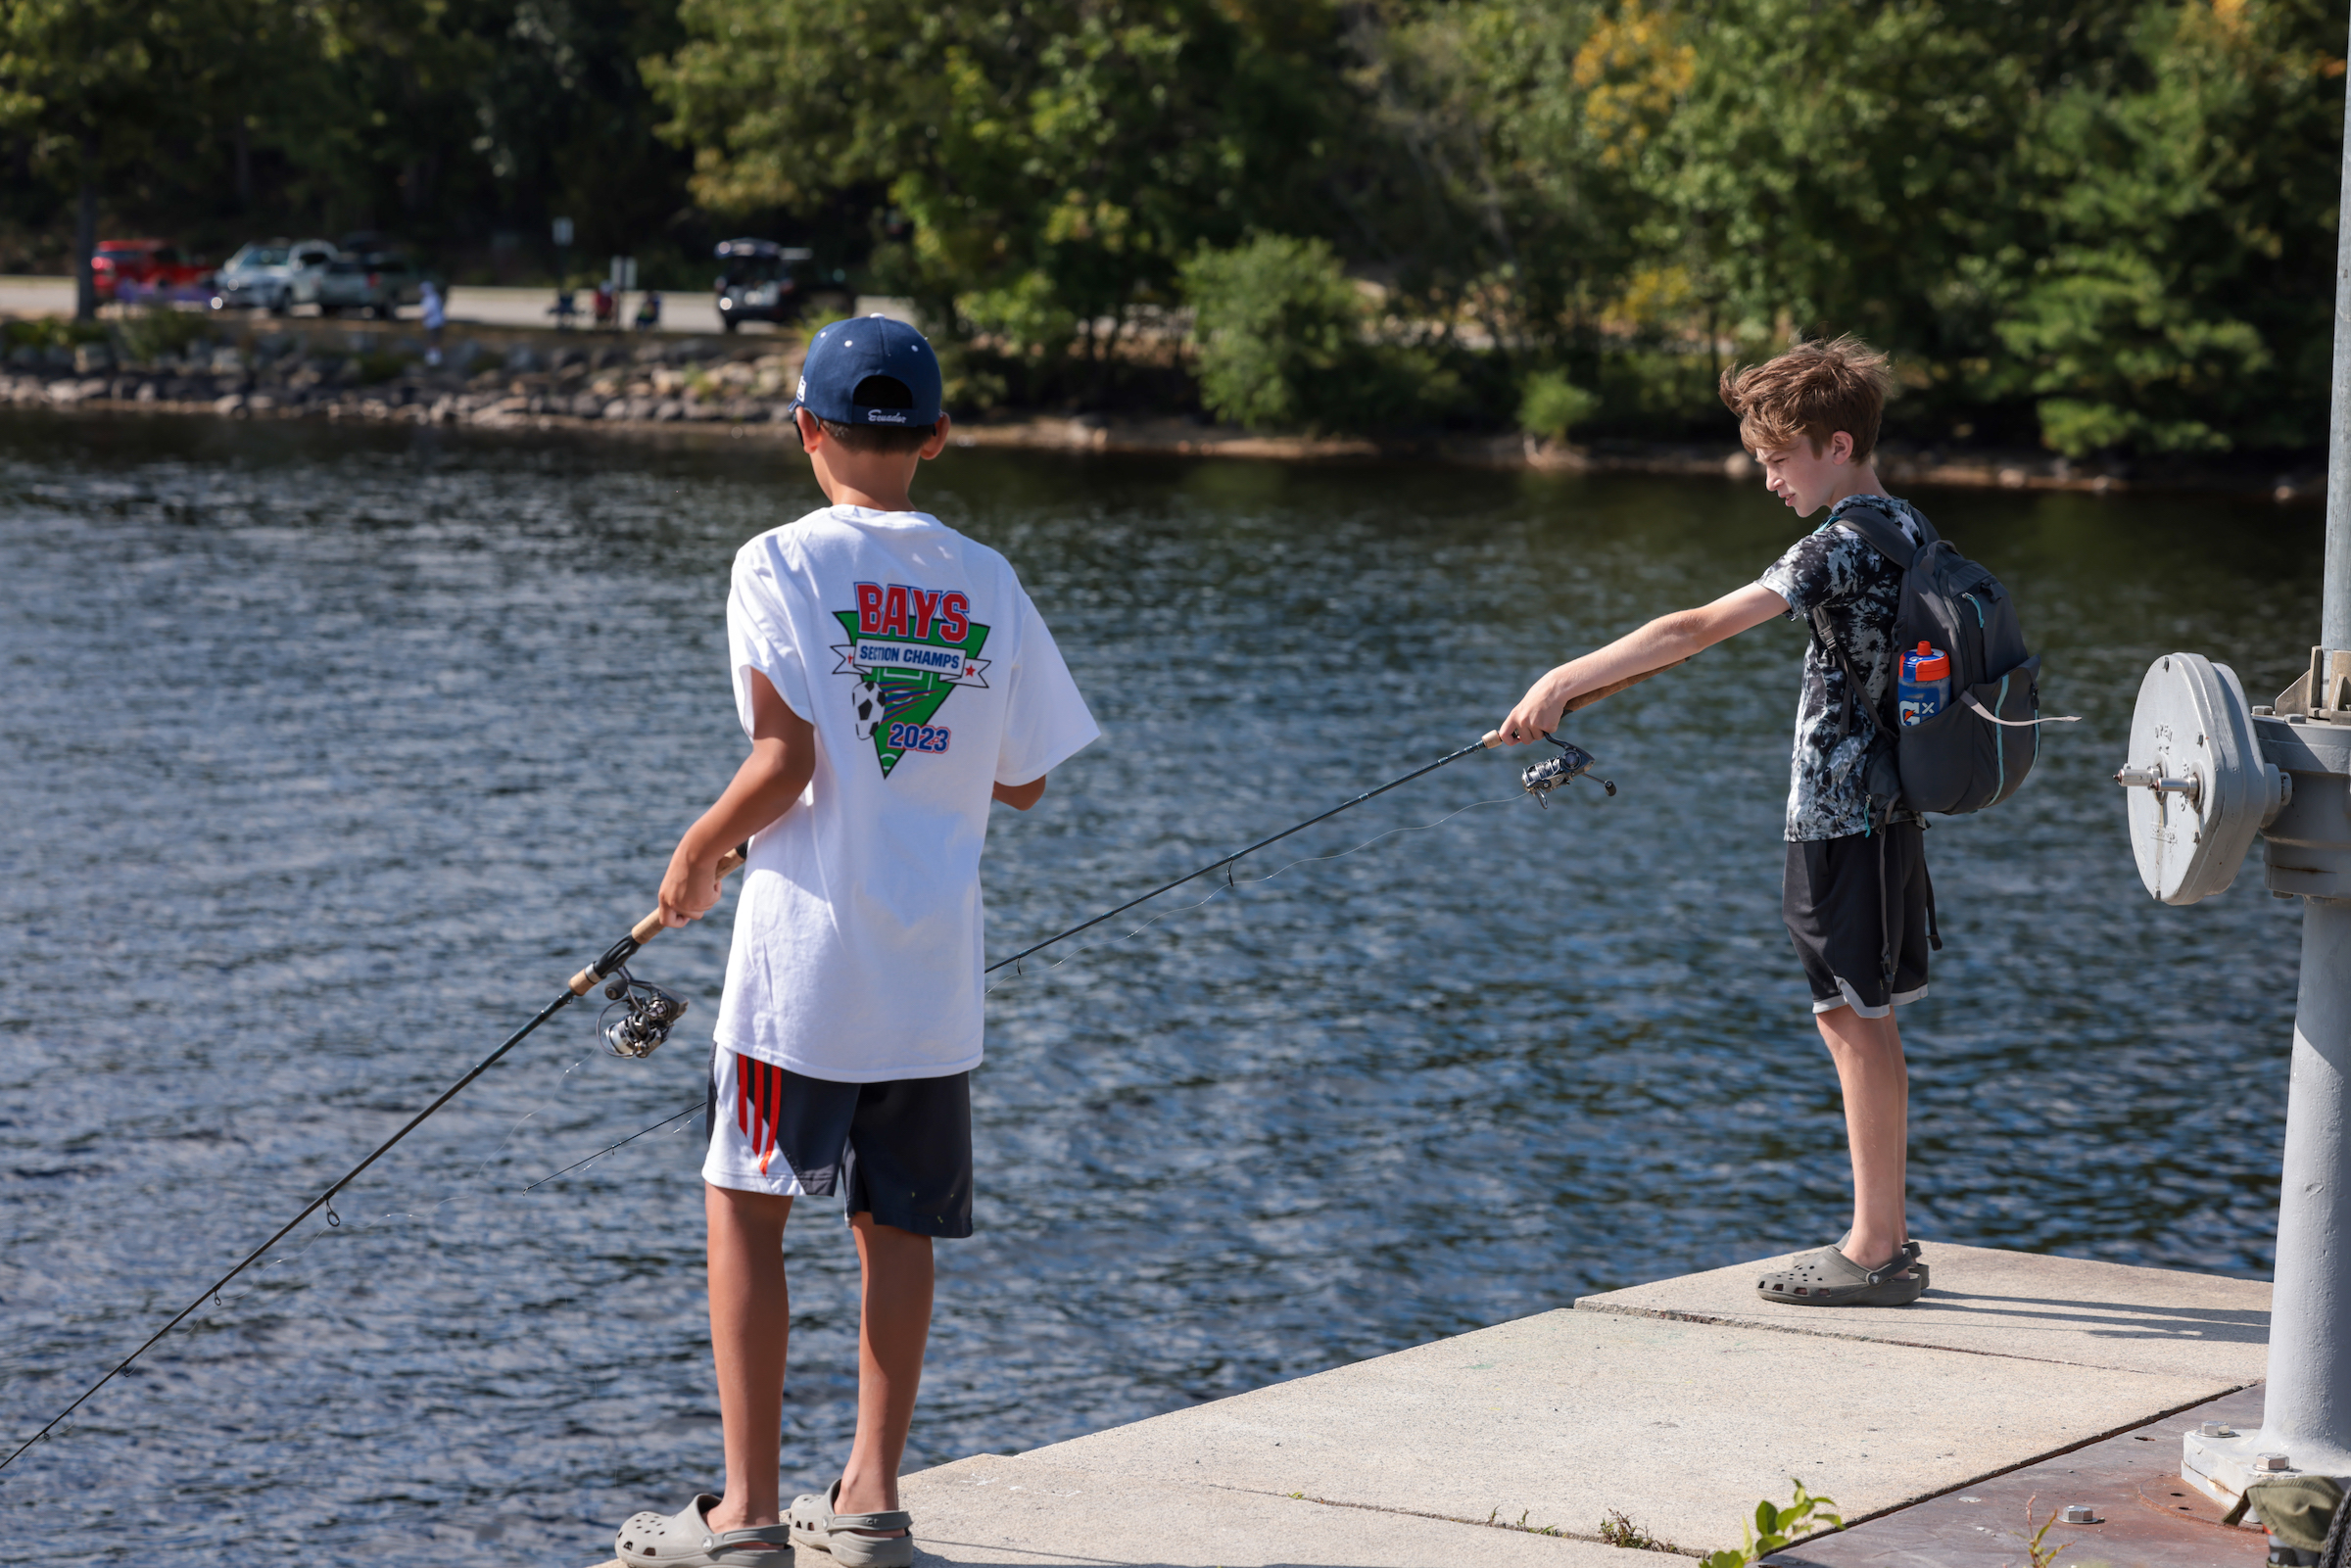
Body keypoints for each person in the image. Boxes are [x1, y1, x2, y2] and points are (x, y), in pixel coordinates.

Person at [611, 315, 1099, 1568]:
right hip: (931, 978)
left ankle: (749, 1514)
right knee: (900, 1224)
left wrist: (695, 850)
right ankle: (874, 1496)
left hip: (804, 979)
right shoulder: (986, 577)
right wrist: (929, 735)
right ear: (935, 436)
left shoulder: (777, 560)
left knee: (745, 1210)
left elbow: (787, 761)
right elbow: (1028, 780)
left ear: (805, 430)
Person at [1492, 335, 1931, 1309]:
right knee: (1869, 1012)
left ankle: (1871, 1245)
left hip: (1836, 812)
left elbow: (1693, 627)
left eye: (1779, 456)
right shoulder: (1903, 524)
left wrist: (1562, 677)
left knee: (1845, 1014)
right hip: (1888, 805)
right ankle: (1887, 1231)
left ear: (1836, 440)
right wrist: (1585, 698)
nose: (1767, 476)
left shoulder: (1837, 544)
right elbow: (1691, 649)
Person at [418, 279, 447, 366]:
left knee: (433, 340)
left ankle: (434, 358)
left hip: (434, 323)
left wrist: (422, 317)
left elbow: (428, 311)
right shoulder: (434, 297)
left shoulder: (431, 298)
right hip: (434, 323)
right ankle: (434, 357)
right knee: (433, 340)